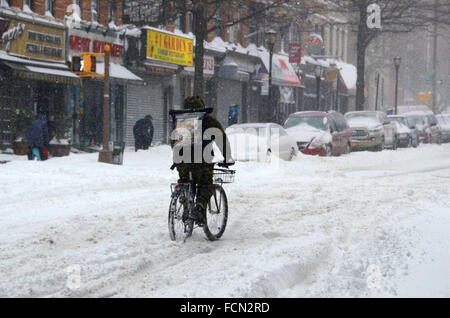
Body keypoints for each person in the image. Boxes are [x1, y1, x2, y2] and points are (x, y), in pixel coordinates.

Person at [172, 96, 234, 226]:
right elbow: (221, 138)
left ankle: (186, 206)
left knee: (185, 182)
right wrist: (227, 157)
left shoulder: (180, 120)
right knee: (205, 183)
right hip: (202, 161)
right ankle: (200, 207)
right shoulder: (208, 120)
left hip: (182, 160)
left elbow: (174, 141)